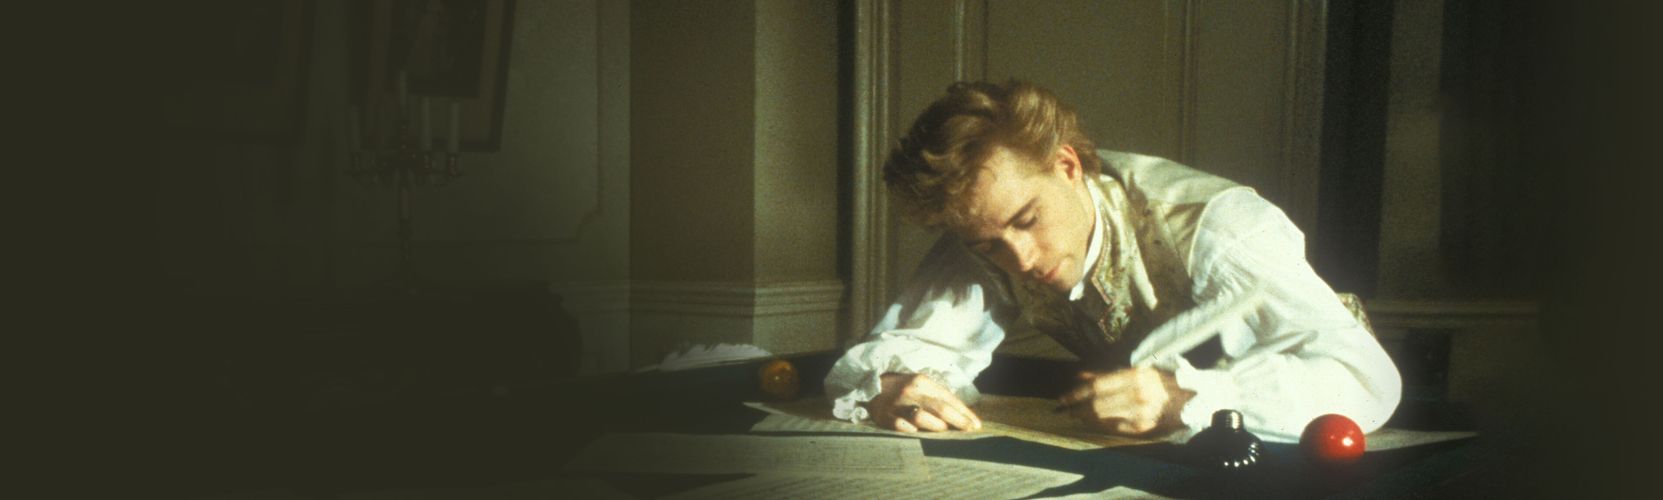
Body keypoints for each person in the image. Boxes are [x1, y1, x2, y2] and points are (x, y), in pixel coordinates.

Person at [823, 80, 1401, 442]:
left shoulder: (1219, 225)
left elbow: (1365, 380)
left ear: (1067, 166)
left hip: (1305, 432)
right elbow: (910, 347)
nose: (1019, 258)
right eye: (987, 244)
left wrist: (1183, 399)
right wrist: (892, 386)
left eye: (1027, 220)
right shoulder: (986, 227)